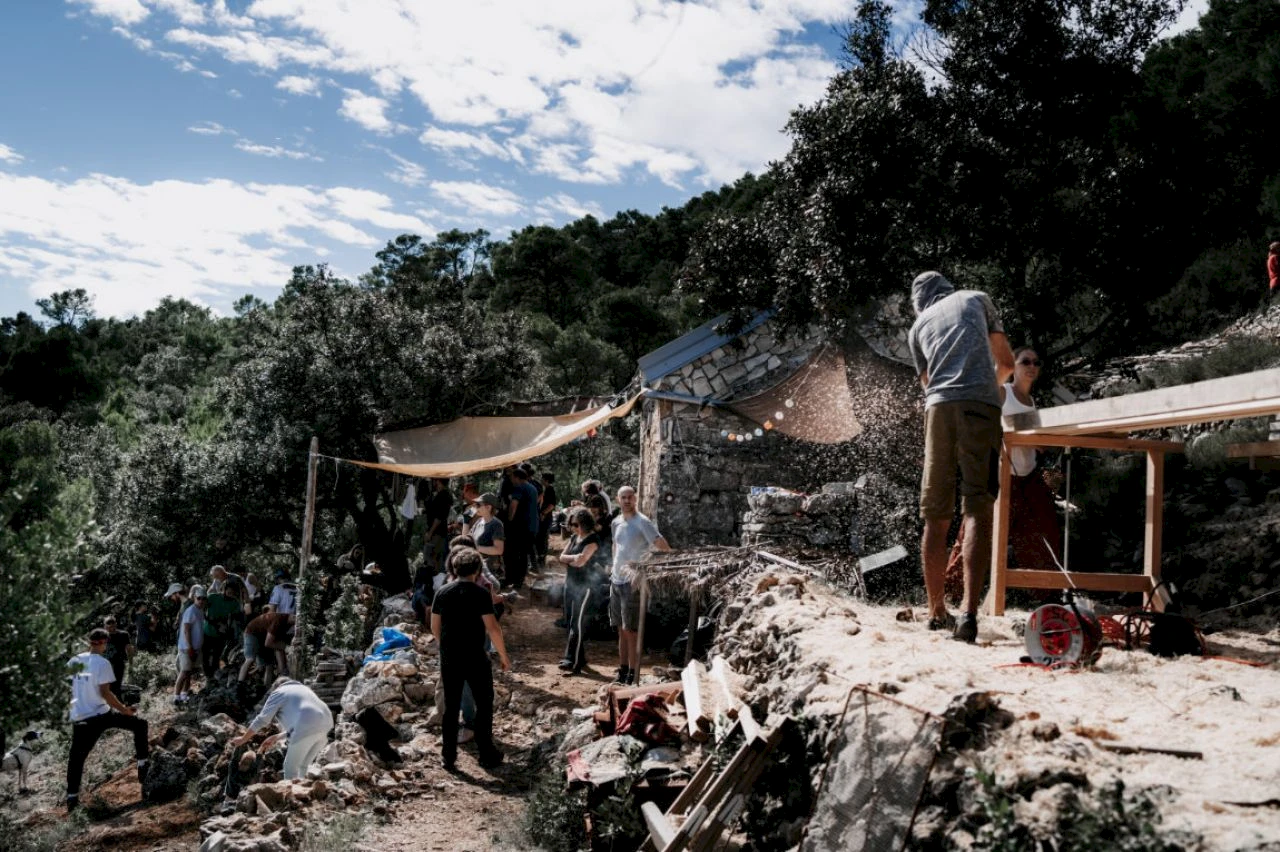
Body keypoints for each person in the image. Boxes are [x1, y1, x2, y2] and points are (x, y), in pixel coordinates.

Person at [907, 270, 1015, 644]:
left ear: (919, 302)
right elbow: (1007, 364)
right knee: (977, 509)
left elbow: (929, 384)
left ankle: (936, 611)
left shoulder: (917, 327)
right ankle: (968, 614)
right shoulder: (976, 299)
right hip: (979, 407)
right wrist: (986, 387)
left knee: (935, 514)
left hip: (938, 410)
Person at [945, 347, 1063, 595]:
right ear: (1014, 366)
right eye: (1025, 361)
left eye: (1036, 362)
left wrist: (1039, 442)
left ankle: (1047, 595)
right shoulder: (1002, 392)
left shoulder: (1032, 403)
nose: (1032, 366)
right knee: (977, 533)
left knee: (1041, 532)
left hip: (1027, 477)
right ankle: (950, 593)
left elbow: (1037, 442)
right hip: (998, 476)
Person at [431, 548, 511, 771]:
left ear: (454, 569)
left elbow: (434, 627)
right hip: (475, 656)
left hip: (450, 658)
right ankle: (486, 753)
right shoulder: (481, 593)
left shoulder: (442, 592)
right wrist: (503, 656)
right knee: (484, 703)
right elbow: (493, 628)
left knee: (451, 706)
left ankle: (448, 756)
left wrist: (446, 646)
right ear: (477, 570)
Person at [66, 629, 150, 812]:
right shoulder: (103, 663)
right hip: (101, 715)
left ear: (89, 641)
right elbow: (105, 693)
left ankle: (71, 799)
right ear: (104, 642)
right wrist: (125, 710)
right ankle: (143, 765)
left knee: (76, 758)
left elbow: (70, 686)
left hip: (80, 717)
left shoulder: (74, 660)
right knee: (140, 725)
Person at [610, 486, 671, 685]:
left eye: (630, 497)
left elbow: (662, 545)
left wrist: (646, 569)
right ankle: (623, 670)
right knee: (620, 629)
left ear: (635, 499)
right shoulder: (616, 522)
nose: (627, 500)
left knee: (632, 630)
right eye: (623, 497)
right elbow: (615, 546)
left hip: (632, 582)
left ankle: (633, 673)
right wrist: (613, 568)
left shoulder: (642, 522)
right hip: (616, 580)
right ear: (618, 499)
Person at [230, 677, 334, 780]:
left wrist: (243, 739)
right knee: (303, 765)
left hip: (305, 727)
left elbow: (262, 720)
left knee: (290, 769)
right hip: (326, 726)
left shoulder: (279, 692)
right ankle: (305, 787)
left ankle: (292, 790)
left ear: (276, 687)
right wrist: (277, 737)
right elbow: (307, 720)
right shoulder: (303, 689)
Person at [557, 508, 601, 675]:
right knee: (570, 622)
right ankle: (579, 659)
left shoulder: (593, 540)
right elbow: (562, 557)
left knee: (577, 623)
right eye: (571, 524)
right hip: (571, 584)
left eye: (576, 525)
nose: (573, 528)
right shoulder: (575, 538)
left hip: (585, 586)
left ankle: (571, 661)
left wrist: (573, 559)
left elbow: (581, 562)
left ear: (585, 524)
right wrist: (573, 558)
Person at [504, 467, 540, 590]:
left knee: (514, 553)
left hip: (521, 527)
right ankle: (518, 580)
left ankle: (513, 579)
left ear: (517, 478)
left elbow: (513, 505)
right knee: (523, 554)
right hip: (532, 526)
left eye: (512, 477)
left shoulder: (519, 487)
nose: (511, 480)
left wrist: (509, 520)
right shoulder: (533, 488)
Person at [174, 584, 207, 704]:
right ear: (194, 598)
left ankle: (184, 695)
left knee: (189, 672)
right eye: (199, 598)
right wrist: (189, 647)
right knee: (184, 671)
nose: (201, 600)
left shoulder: (200, 610)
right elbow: (186, 630)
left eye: (203, 598)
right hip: (186, 648)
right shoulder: (191, 610)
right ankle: (176, 696)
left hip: (195, 648)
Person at [239, 611, 293, 684]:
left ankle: (266, 687)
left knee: (269, 665)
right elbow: (268, 643)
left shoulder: (286, 625)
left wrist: (283, 670)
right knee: (250, 659)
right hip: (252, 633)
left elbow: (278, 647)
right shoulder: (278, 621)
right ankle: (240, 683)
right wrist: (287, 648)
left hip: (264, 637)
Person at [469, 493, 506, 581]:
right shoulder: (479, 521)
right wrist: (466, 520)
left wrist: (476, 548)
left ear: (488, 507)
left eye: (478, 505)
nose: (475, 507)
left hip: (488, 570)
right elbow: (467, 538)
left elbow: (499, 550)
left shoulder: (496, 525)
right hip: (476, 567)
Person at [100, 615, 134, 700]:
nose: (111, 626)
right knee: (107, 688)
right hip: (105, 666)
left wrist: (131, 664)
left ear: (116, 624)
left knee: (116, 686)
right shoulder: (102, 636)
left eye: (113, 623)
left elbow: (129, 649)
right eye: (109, 624)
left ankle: (118, 705)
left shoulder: (123, 634)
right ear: (105, 626)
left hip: (118, 664)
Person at [537, 472, 559, 567]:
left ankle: (542, 559)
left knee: (543, 538)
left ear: (546, 480)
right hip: (544, 517)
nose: (540, 479)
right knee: (541, 537)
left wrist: (543, 513)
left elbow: (552, 505)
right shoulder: (546, 489)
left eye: (542, 477)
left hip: (546, 518)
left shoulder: (550, 489)